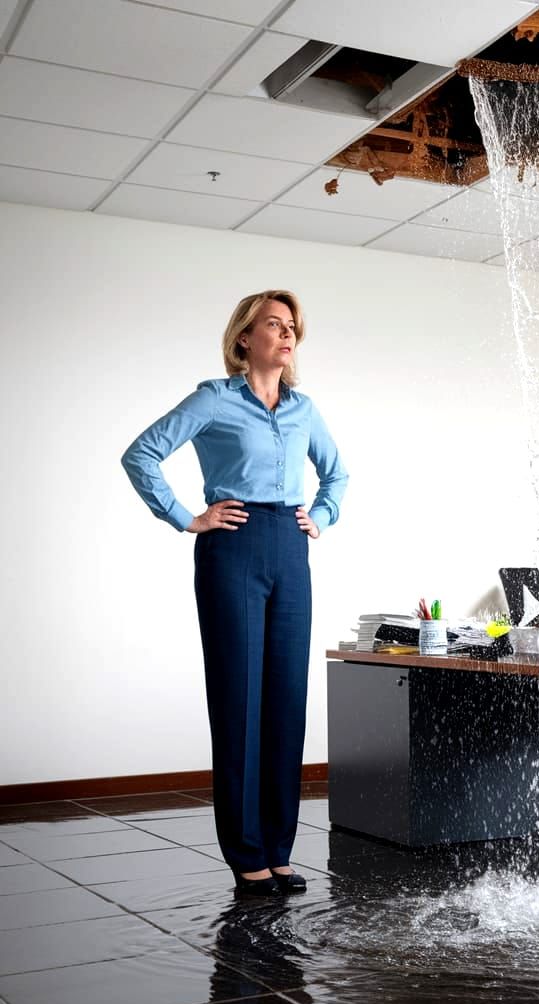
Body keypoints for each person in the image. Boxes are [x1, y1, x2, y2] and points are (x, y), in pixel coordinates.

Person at [122, 290, 348, 896]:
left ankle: (279, 849)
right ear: (244, 337)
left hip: (289, 549)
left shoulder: (303, 410)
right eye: (273, 324)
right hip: (234, 546)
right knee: (239, 701)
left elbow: (337, 473)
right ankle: (246, 851)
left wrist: (321, 514)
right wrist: (185, 516)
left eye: (293, 325)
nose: (287, 332)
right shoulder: (214, 400)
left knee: (285, 702)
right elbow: (141, 453)